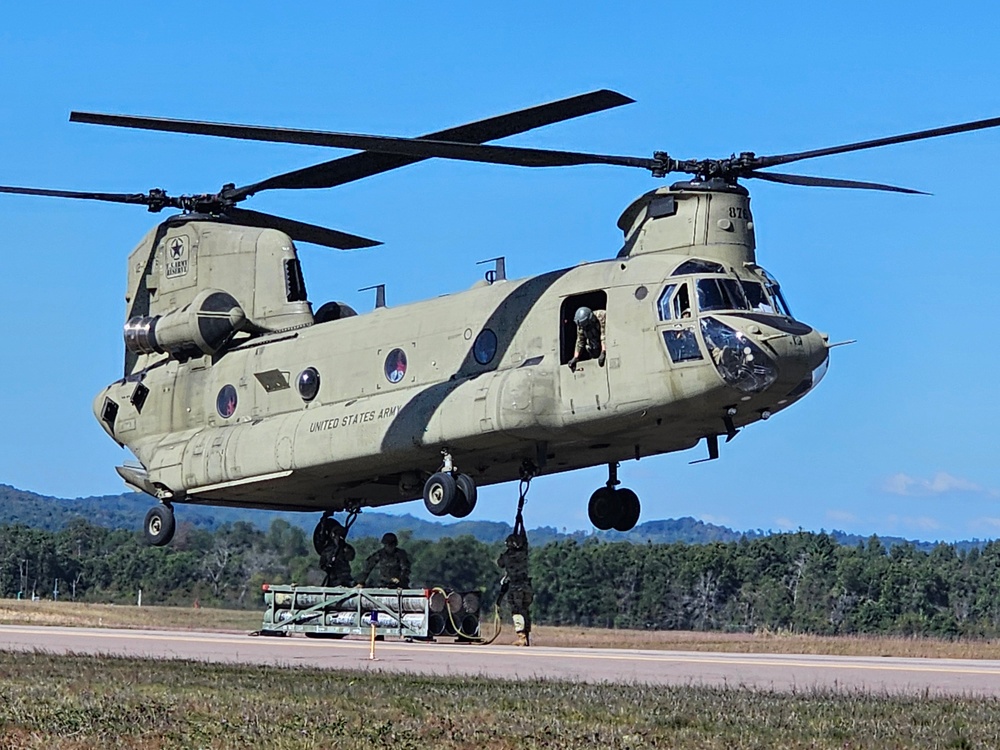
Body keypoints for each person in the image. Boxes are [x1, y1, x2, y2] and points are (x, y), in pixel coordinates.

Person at [497, 529, 532, 646]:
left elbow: (500, 563)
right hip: (526, 586)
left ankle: (522, 636)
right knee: (525, 610)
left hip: (515, 586)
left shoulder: (507, 557)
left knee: (517, 612)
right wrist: (520, 522)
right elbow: (524, 539)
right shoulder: (523, 553)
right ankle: (527, 636)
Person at [319, 519, 356, 587]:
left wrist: (344, 548)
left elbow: (351, 556)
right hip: (333, 580)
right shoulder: (327, 551)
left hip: (345, 578)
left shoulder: (345, 548)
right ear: (332, 535)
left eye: (340, 534)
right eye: (337, 534)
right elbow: (322, 565)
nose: (339, 537)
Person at [568, 306, 606, 370]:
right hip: (594, 345)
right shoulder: (581, 325)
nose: (584, 328)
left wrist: (603, 352)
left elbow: (604, 335)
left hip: (605, 343)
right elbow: (580, 341)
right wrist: (575, 357)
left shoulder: (601, 316)